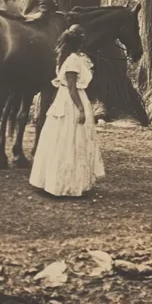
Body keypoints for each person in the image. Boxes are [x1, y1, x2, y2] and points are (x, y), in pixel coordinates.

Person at [29, 24, 105, 197]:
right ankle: (62, 184)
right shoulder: (71, 60)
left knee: (71, 139)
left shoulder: (70, 57)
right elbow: (71, 88)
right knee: (68, 139)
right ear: (80, 41)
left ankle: (74, 182)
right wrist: (80, 109)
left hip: (70, 98)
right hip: (71, 101)